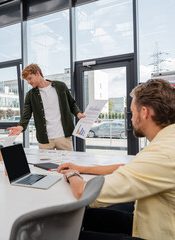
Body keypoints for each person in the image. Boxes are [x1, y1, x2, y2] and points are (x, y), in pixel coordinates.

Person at [58, 78, 175, 240]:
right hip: (151, 219)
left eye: (132, 112)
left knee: (67, 234)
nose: (131, 119)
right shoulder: (168, 141)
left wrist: (72, 175)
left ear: (145, 112)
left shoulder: (163, 153)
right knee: (86, 215)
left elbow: (86, 194)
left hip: (155, 233)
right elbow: (130, 166)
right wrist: (82, 169)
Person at [8, 64, 85, 151]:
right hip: (45, 140)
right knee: (46, 164)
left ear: (37, 73)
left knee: (67, 163)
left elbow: (72, 104)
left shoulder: (61, 86)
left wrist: (78, 114)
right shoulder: (30, 95)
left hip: (63, 136)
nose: (28, 82)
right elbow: (26, 115)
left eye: (30, 78)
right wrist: (20, 127)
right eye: (27, 80)